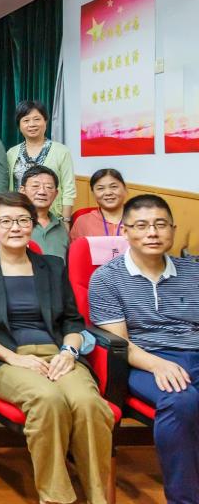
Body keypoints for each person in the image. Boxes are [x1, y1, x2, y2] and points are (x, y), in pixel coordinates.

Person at [0, 192, 113, 504]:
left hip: (57, 354)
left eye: (22, 220)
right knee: (47, 399)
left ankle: (98, 497)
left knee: (88, 403)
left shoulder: (53, 266)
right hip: (7, 359)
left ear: (33, 224)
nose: (15, 227)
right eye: (5, 221)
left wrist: (69, 353)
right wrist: (15, 358)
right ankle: (56, 497)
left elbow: (72, 321)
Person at [89, 194, 199, 504]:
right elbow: (120, 343)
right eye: (142, 225)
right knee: (181, 400)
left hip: (194, 352)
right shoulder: (107, 278)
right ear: (125, 231)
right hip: (144, 360)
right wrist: (157, 365)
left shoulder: (193, 272)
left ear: (172, 230)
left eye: (160, 225)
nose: (152, 233)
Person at [6, 101, 75, 221]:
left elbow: (69, 189)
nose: (32, 124)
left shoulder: (61, 151)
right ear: (19, 126)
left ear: (45, 121)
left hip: (52, 217)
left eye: (37, 119)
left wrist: (66, 220)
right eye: (26, 120)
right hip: (18, 217)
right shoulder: (11, 153)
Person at [19, 165, 69, 260]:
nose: (42, 192)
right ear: (22, 191)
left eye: (49, 187)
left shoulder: (61, 227)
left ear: (56, 194)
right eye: (35, 186)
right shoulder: (13, 224)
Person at [69, 168, 128, 241]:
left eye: (114, 187)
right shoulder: (82, 222)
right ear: (93, 194)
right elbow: (75, 247)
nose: (108, 193)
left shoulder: (138, 218)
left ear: (125, 189)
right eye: (100, 188)